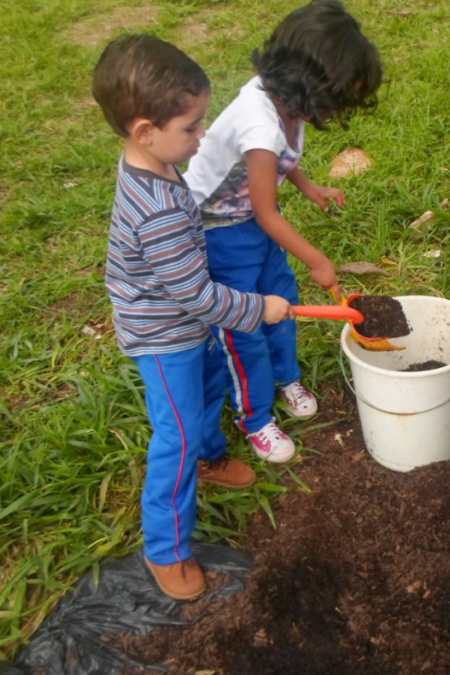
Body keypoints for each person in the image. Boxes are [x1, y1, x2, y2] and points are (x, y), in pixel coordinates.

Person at [93, 35, 294, 600]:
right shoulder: (155, 208)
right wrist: (260, 308)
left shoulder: (152, 163)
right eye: (192, 126)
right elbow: (200, 298)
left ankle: (209, 458)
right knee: (175, 434)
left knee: (208, 389)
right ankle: (166, 548)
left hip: (183, 322)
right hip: (163, 334)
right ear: (144, 131)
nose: (203, 135)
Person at [185, 0, 382, 463]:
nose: (336, 112)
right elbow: (267, 210)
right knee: (246, 319)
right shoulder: (258, 120)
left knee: (283, 300)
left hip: (249, 221)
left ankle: (285, 376)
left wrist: (308, 184)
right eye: (337, 101)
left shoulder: (285, 102)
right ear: (311, 84)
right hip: (218, 231)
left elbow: (277, 161)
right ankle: (255, 419)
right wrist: (318, 259)